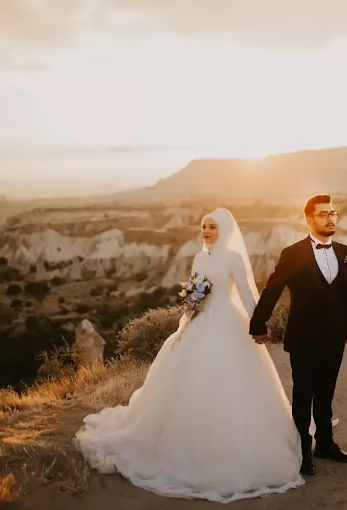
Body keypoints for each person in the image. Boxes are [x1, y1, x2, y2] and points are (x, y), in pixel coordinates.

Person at [73, 208, 304, 503]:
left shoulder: (232, 258)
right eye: (204, 226)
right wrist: (189, 308)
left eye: (212, 227)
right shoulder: (199, 257)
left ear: (223, 230)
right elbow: (195, 291)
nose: (206, 231)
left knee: (233, 382)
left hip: (229, 324)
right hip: (201, 321)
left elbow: (247, 292)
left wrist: (257, 323)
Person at [250, 194, 347, 476]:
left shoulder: (344, 250)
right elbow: (273, 288)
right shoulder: (294, 253)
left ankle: (325, 444)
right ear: (308, 219)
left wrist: (346, 325)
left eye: (333, 213)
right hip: (304, 336)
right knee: (304, 395)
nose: (330, 218)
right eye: (323, 214)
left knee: (326, 393)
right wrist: (258, 322)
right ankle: (301, 451)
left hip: (334, 336)